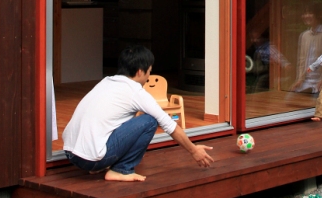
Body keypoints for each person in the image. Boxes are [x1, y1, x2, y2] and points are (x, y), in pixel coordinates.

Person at [62, 45, 214, 182]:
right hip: (91, 160)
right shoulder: (135, 91)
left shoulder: (106, 82)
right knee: (150, 120)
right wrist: (194, 150)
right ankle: (121, 169)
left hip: (71, 154)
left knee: (127, 119)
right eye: (149, 72)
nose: (148, 77)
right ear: (140, 71)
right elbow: (169, 125)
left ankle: (99, 163)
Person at [286, 9, 322, 100]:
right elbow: (302, 60)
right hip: (306, 81)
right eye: (304, 13)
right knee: (289, 100)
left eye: (310, 13)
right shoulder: (304, 35)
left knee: (314, 104)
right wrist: (299, 79)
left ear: (319, 15)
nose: (306, 16)